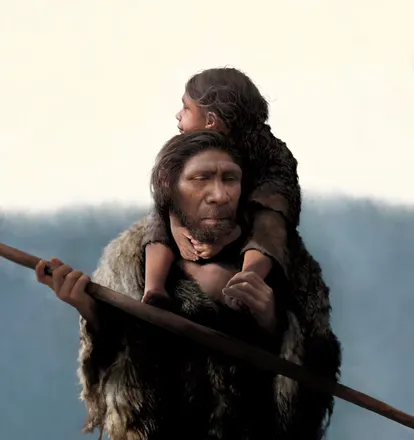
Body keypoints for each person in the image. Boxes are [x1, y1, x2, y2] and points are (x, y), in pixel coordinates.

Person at [35, 130, 341, 440]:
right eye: (201, 179)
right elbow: (124, 386)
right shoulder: (129, 262)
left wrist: (274, 324)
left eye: (229, 179)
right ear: (171, 188)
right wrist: (92, 312)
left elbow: (315, 382)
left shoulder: (286, 263)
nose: (219, 194)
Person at [142, 67, 301, 311]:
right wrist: (176, 225)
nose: (178, 115)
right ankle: (154, 289)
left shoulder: (271, 158)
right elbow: (167, 194)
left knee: (270, 224)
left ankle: (247, 283)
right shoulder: (187, 147)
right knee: (158, 217)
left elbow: (271, 219)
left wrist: (231, 237)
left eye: (186, 108)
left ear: (210, 121)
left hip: (242, 235)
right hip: (196, 229)